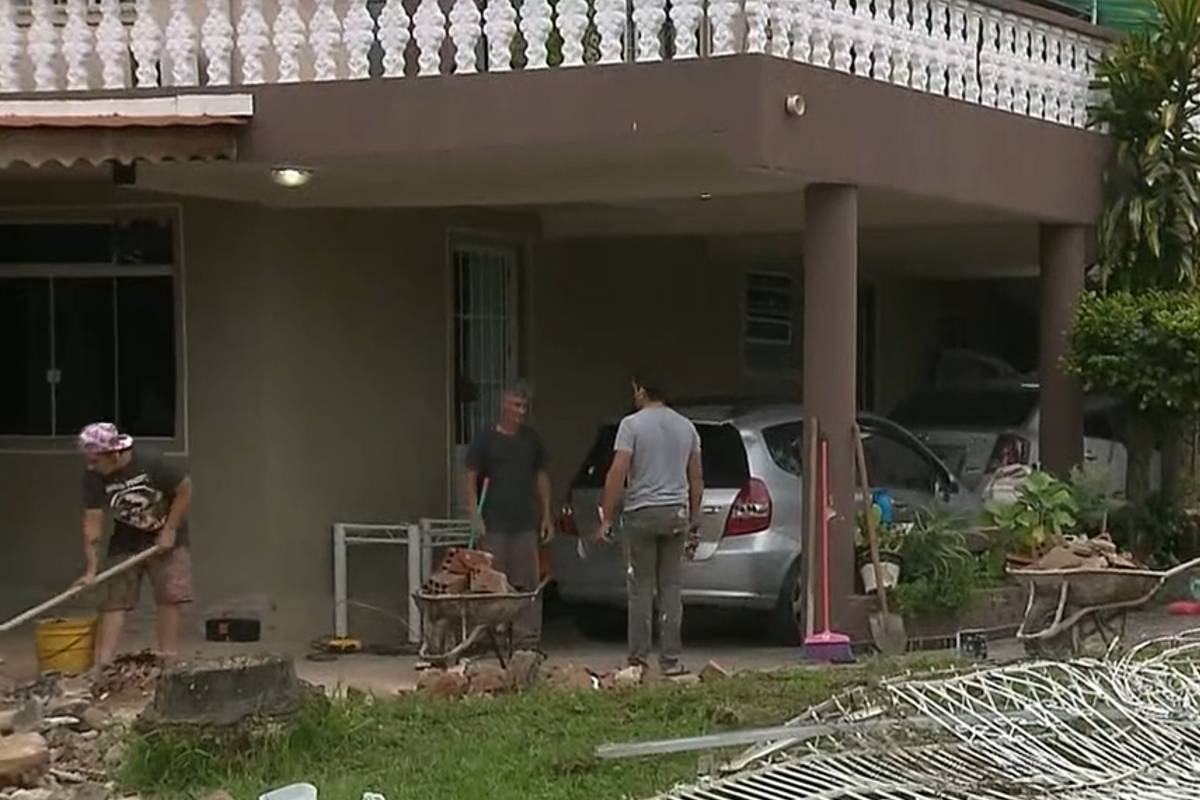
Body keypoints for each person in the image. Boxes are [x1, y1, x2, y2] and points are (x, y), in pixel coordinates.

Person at [594, 373, 703, 675]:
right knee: (671, 588)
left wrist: (606, 515)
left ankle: (638, 661)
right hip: (675, 514)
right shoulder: (687, 427)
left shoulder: (631, 425)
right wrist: (695, 517)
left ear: (640, 390)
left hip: (642, 513)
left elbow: (617, 472)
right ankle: (670, 660)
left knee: (640, 588)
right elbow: (696, 477)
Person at [75, 422, 193, 666]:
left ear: (114, 453)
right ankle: (103, 664)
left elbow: (185, 489)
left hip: (167, 533)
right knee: (114, 598)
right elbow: (92, 523)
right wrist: (91, 569)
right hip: (127, 538)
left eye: (96, 460)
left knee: (169, 596)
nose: (91, 465)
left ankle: (167, 662)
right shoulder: (93, 477)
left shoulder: (151, 461)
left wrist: (169, 530)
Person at [465, 384, 553, 645]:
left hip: (525, 522)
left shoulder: (531, 439)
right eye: (516, 406)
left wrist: (546, 514)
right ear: (504, 405)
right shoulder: (485, 439)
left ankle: (526, 639)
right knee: (490, 583)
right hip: (494, 522)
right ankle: (488, 636)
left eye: (524, 407)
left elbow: (542, 476)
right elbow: (470, 477)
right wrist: (473, 514)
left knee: (526, 582)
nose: (520, 412)